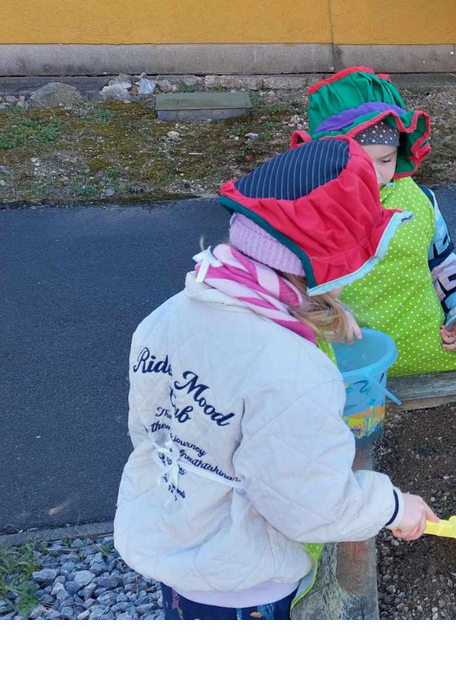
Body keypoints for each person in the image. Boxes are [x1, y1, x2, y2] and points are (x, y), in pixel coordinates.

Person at [114, 136, 439, 620]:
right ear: (325, 266)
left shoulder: (166, 316)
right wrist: (392, 506)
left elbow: (149, 430)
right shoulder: (294, 370)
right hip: (246, 582)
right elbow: (308, 503)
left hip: (173, 540)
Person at [296, 66, 456, 376]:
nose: (376, 174)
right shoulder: (309, 211)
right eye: (361, 163)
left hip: (428, 356)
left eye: (386, 160)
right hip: (349, 367)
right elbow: (293, 290)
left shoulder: (421, 202)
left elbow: (443, 264)